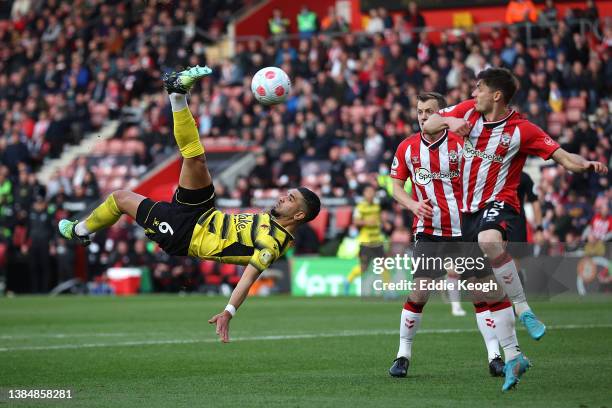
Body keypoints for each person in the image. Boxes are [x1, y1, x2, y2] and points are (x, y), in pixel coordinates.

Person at [58, 66, 321, 343]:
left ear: (300, 214)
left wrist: (228, 312)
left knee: (121, 198)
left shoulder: (273, 244)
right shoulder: (272, 220)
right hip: (204, 212)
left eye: (290, 199)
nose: (283, 197)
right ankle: (176, 92)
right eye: (287, 193)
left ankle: (80, 231)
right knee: (194, 158)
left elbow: (248, 278)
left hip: (185, 233)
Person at [424, 67, 608, 390]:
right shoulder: (467, 111)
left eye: (478, 88)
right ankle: (514, 357)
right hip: (467, 212)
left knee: (489, 239)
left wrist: (586, 165)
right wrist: (452, 122)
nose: (473, 93)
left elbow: (562, 157)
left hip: (500, 203)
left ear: (496, 95)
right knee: (485, 292)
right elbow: (429, 123)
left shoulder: (522, 130)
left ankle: (524, 308)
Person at [387, 92, 504, 381]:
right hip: (429, 232)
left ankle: (495, 356)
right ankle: (402, 355)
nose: (423, 116)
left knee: (480, 293)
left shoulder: (462, 145)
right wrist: (413, 204)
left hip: (465, 230)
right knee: (420, 291)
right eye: (419, 111)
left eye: (429, 111)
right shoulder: (407, 147)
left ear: (441, 113)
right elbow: (396, 187)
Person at [345, 184, 385, 293]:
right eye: (369, 192)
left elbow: (379, 218)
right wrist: (367, 222)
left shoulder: (377, 206)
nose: (371, 194)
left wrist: (384, 223)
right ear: (364, 194)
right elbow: (355, 221)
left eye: (373, 192)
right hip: (366, 242)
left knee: (383, 266)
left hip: (377, 240)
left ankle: (388, 290)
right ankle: (348, 281)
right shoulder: (360, 207)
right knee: (363, 267)